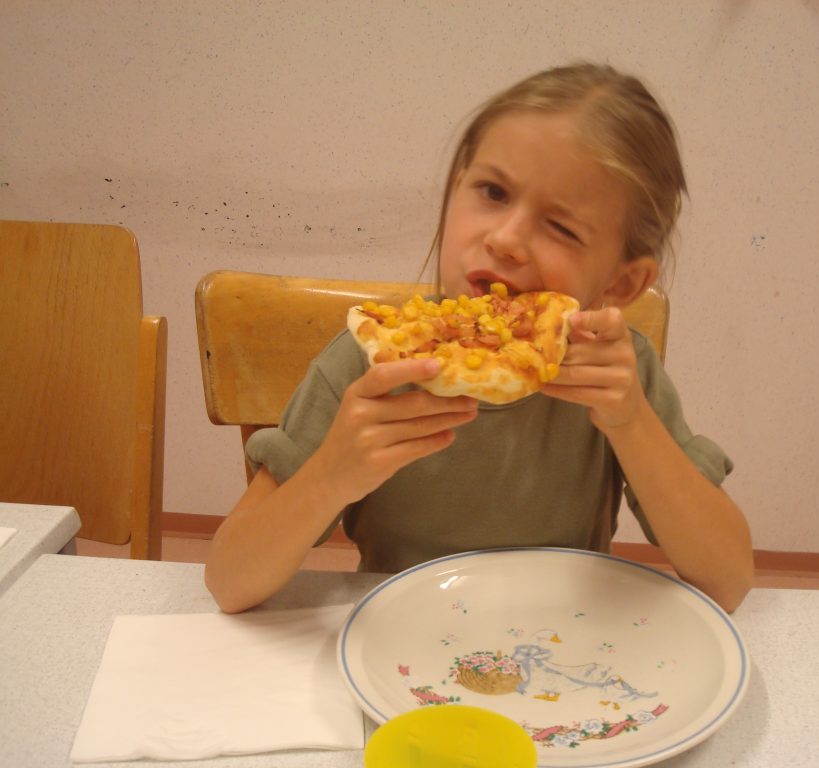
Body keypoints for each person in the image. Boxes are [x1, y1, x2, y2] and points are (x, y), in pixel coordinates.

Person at [205, 62, 754, 614]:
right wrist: (330, 476)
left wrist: (632, 422)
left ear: (621, 282)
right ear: (454, 191)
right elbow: (230, 582)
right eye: (493, 191)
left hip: (562, 637)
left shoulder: (618, 376)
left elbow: (727, 581)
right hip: (403, 634)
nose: (506, 238)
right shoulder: (367, 366)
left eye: (561, 227)